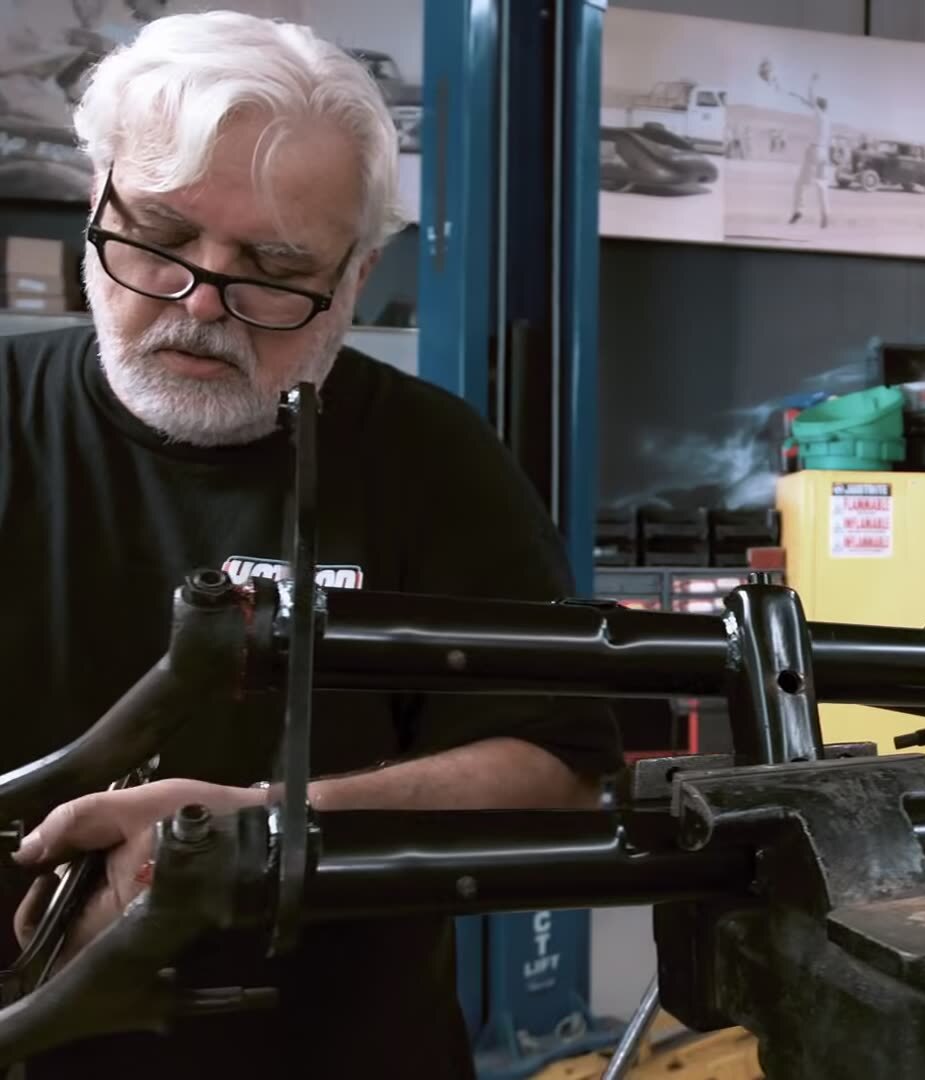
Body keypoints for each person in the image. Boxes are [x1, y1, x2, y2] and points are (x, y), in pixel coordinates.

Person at [0, 12, 620, 1078]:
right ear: (96, 198)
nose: (201, 300)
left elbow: (559, 771)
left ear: (357, 274)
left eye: (273, 266)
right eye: (158, 235)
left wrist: (259, 830)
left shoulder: (436, 460)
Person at [784, 74, 831, 227]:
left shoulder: (819, 115)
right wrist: (800, 98)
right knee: (822, 184)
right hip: (824, 153)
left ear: (818, 106)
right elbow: (810, 103)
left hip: (814, 151)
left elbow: (811, 98)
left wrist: (812, 82)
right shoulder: (826, 119)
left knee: (801, 184)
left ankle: (798, 210)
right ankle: (825, 214)